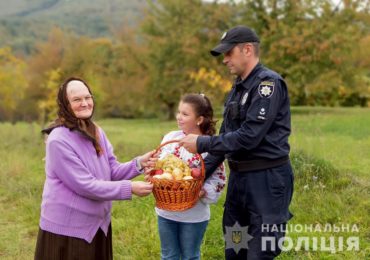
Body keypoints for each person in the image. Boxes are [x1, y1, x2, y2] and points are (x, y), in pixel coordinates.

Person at [179, 26, 294, 259]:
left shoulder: (268, 85)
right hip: (239, 183)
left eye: (229, 53)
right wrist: (196, 174)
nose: (225, 60)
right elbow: (226, 138)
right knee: (234, 248)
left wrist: (202, 142)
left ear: (248, 50)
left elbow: (250, 137)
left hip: (267, 182)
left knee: (260, 252)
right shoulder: (237, 88)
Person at [34, 77, 156, 260]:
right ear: (65, 104)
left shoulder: (96, 131)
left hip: (98, 225)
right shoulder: (58, 140)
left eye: (88, 97)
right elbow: (86, 186)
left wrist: (139, 163)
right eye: (76, 100)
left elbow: (111, 171)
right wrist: (130, 188)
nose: (85, 103)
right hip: (68, 231)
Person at [155, 94, 226, 260]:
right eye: (179, 112)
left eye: (185, 114)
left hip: (194, 215)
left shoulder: (209, 145)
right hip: (166, 212)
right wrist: (153, 171)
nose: (179, 117)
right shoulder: (171, 138)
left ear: (199, 119)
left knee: (191, 256)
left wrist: (201, 191)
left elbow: (219, 180)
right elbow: (158, 163)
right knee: (168, 256)